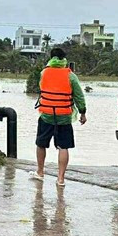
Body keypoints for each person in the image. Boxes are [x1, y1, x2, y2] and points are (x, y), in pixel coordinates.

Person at [31, 48, 86, 187]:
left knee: (41, 143)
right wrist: (83, 112)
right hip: (64, 116)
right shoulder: (71, 76)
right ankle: (60, 179)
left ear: (51, 58)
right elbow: (79, 96)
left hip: (46, 115)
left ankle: (40, 172)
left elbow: (41, 88)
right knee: (63, 146)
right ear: (64, 59)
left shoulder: (44, 73)